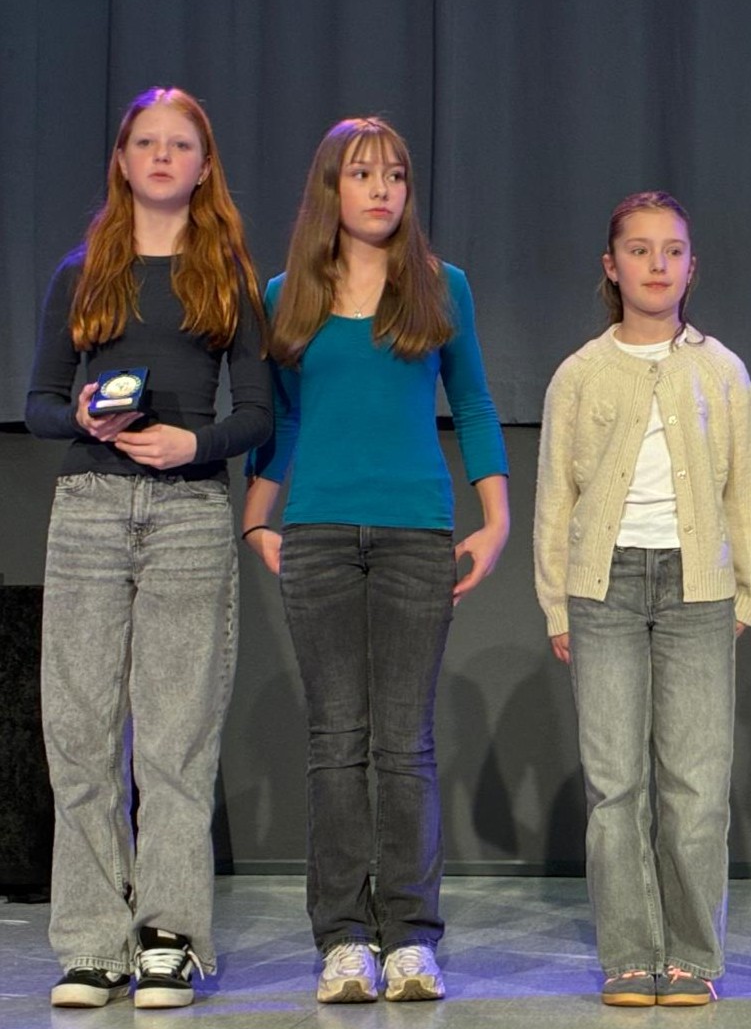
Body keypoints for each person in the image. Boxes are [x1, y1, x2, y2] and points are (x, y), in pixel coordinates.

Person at [242, 117, 509, 1005]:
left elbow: (472, 402)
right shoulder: (287, 293)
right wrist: (256, 515)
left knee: (404, 743)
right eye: (362, 173)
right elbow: (284, 418)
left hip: (414, 535)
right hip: (318, 535)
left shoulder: (439, 286)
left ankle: (410, 939)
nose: (382, 188)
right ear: (331, 187)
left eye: (394, 173)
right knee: (335, 742)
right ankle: (344, 939)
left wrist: (496, 518)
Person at [25, 87, 271, 1009]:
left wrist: (192, 443)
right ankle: (93, 941)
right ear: (123, 160)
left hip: (188, 512)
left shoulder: (227, 277)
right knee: (81, 733)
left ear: (204, 168)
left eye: (180, 145)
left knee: (175, 737)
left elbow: (256, 413)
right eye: (146, 142)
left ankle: (169, 936)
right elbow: (40, 402)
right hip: (90, 508)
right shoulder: (83, 272)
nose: (162, 156)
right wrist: (85, 416)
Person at [533, 190, 751, 1007]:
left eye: (671, 250)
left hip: (696, 588)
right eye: (638, 250)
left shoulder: (720, 369)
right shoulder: (579, 373)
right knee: (615, 784)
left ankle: (693, 955)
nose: (656, 264)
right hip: (602, 587)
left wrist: (745, 591)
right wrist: (557, 604)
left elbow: (746, 491)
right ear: (611, 266)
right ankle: (631, 953)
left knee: (695, 785)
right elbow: (555, 499)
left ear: (691, 266)